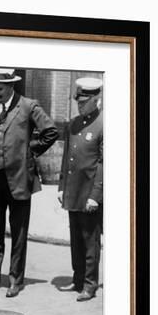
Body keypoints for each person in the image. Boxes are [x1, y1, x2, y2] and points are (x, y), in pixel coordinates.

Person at [0, 68, 59, 298]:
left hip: (19, 178)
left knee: (19, 232)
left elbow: (50, 131)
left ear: (11, 86)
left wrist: (29, 151)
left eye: (0, 88)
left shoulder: (29, 106)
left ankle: (15, 280)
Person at [58, 77, 103, 302]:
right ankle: (78, 279)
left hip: (90, 193)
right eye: (78, 101)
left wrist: (96, 195)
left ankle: (90, 284)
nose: (80, 104)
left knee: (90, 240)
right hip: (73, 191)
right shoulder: (74, 123)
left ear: (96, 99)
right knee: (75, 238)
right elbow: (67, 157)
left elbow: (104, 164)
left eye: (84, 101)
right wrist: (61, 186)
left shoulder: (104, 124)